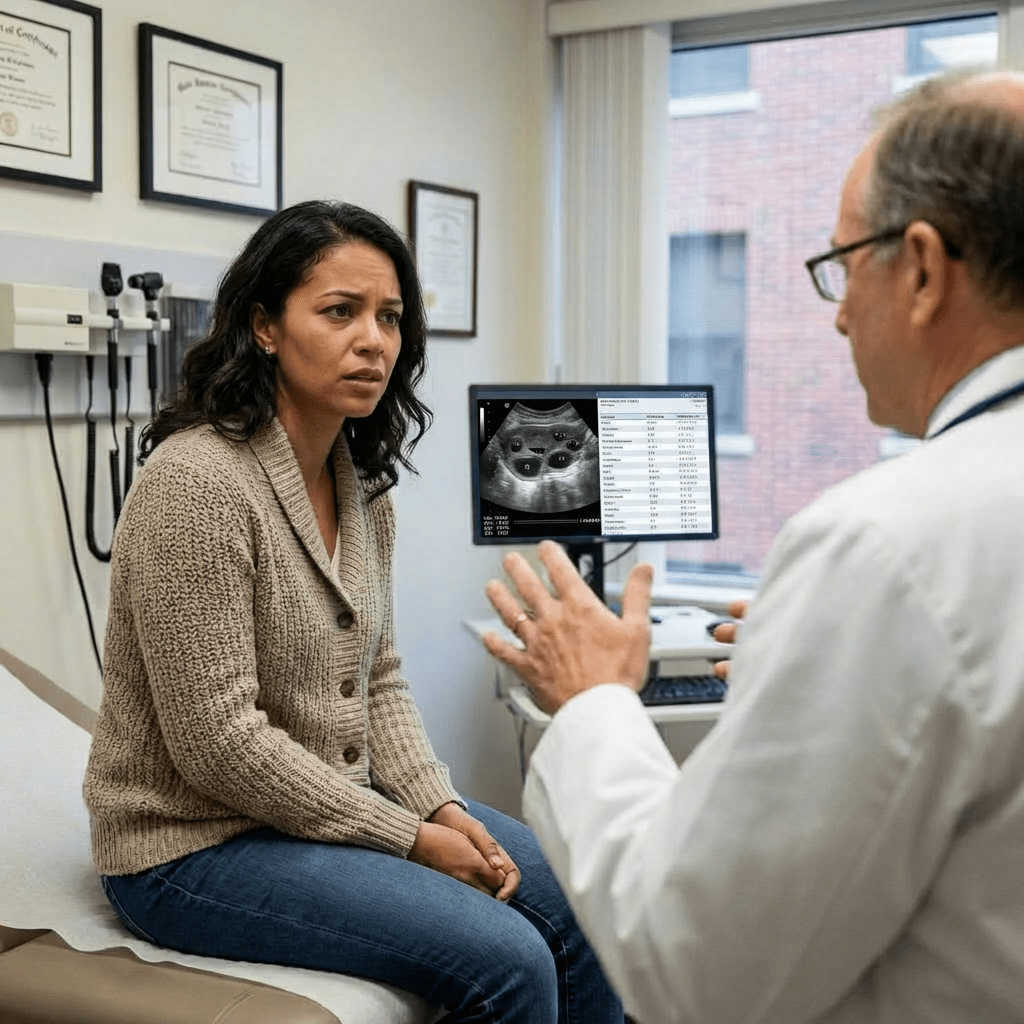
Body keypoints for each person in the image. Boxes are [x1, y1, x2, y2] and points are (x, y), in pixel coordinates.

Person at [483, 70, 1024, 1024]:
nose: (840, 312)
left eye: (845, 263)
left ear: (927, 269)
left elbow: (694, 975)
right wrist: (820, 649)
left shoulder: (887, 547)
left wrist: (595, 699)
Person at [83, 200, 623, 1024]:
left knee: (587, 914)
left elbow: (379, 677)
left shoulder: (361, 488)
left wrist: (438, 805)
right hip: (192, 845)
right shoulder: (195, 485)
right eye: (341, 312)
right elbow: (218, 743)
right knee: (510, 959)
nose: (374, 339)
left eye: (391, 317)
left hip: (322, 805)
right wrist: (408, 839)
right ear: (265, 325)